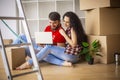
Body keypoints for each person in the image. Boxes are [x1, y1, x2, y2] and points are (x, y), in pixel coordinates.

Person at [16, 11, 88, 70]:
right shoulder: (70, 28)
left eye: (67, 22)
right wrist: (41, 43)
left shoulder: (72, 29)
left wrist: (63, 34)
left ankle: (29, 63)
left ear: (72, 22)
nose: (65, 24)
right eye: (64, 21)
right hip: (70, 54)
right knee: (23, 38)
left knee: (48, 48)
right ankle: (62, 63)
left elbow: (73, 44)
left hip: (72, 56)